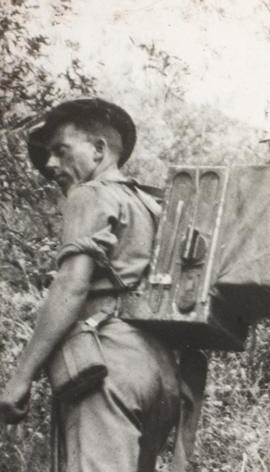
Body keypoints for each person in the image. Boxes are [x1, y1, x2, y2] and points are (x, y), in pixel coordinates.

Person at [0, 98, 206, 472]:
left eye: (61, 151)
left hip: (104, 367)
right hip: (160, 375)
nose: (50, 165)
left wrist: (20, 377)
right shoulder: (152, 205)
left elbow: (71, 288)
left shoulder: (90, 194)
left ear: (99, 150)